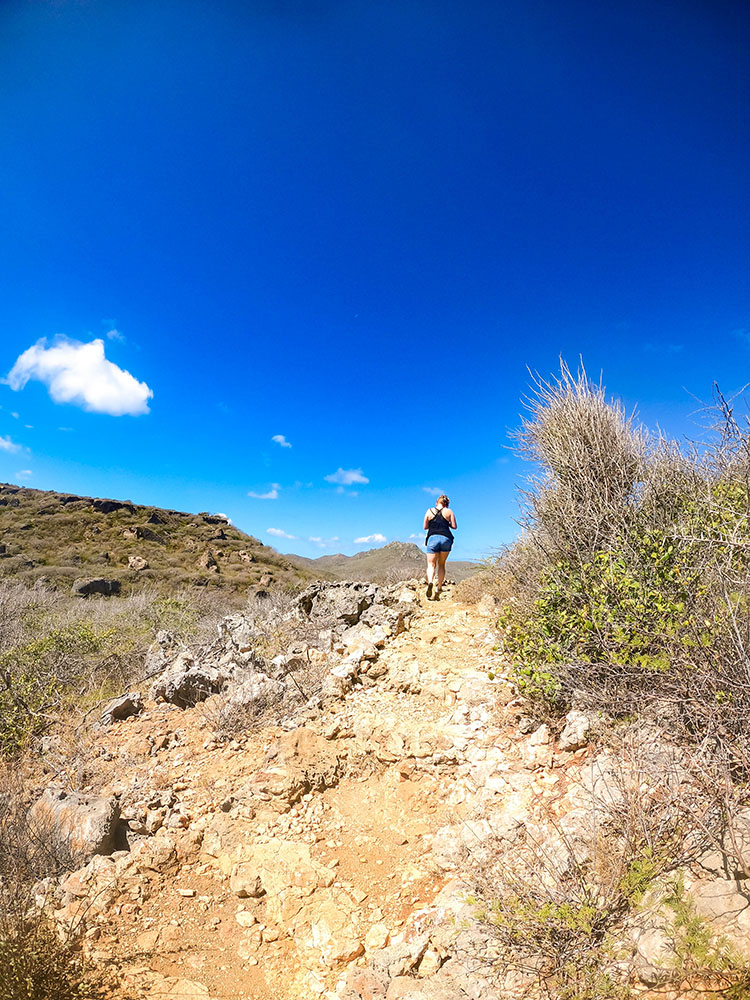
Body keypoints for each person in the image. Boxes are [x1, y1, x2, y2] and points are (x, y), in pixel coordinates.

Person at [423, 494, 457, 600]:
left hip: (432, 538)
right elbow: (454, 526)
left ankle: (430, 582)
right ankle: (439, 587)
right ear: (446, 503)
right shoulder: (449, 511)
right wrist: (447, 524)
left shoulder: (429, 511)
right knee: (441, 564)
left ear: (437, 502)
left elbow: (425, 527)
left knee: (431, 564)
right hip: (446, 538)